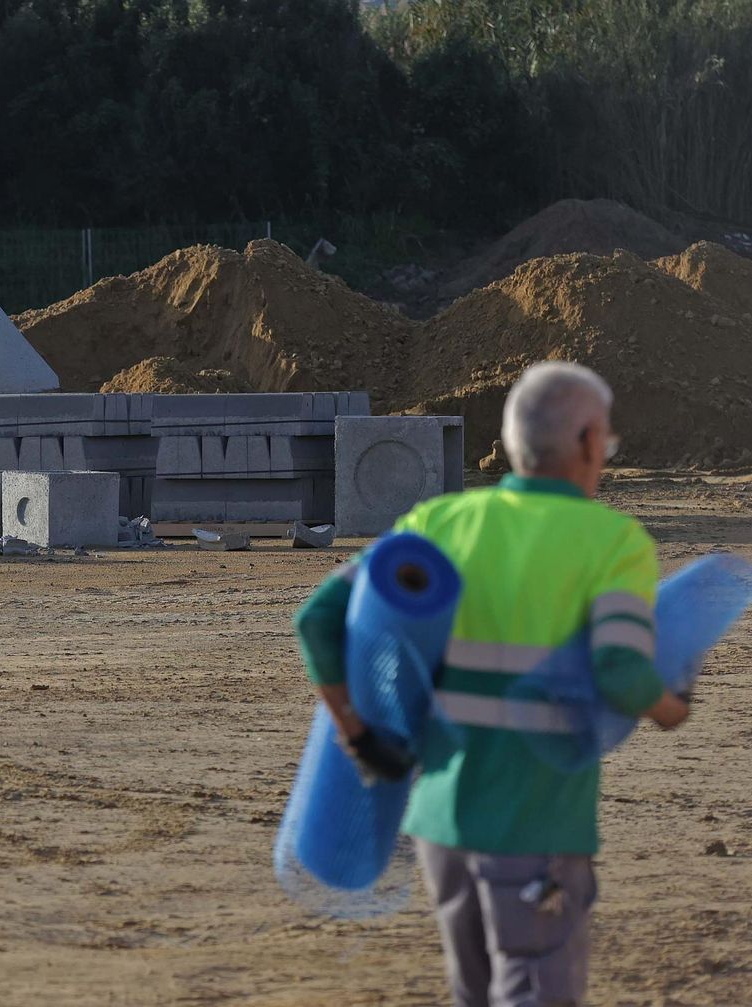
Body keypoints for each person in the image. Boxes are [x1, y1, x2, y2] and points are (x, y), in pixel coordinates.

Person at [293, 361, 690, 1007]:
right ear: (588, 441)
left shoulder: (437, 522)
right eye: (607, 439)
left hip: (442, 825)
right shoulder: (614, 542)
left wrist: (357, 734)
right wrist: (672, 707)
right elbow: (621, 673)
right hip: (538, 823)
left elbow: (317, 621)